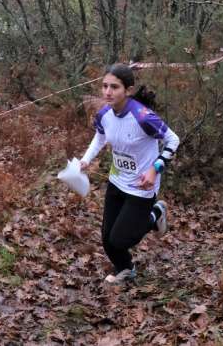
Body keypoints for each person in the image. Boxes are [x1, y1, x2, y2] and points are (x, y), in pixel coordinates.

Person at [80, 63, 180, 284]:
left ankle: (155, 215)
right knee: (107, 241)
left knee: (122, 238)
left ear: (129, 90)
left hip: (142, 186)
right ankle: (126, 268)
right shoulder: (104, 113)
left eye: (114, 87)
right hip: (116, 182)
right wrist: (86, 159)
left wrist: (156, 169)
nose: (107, 92)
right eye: (104, 86)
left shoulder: (143, 117)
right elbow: (100, 136)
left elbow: (173, 140)